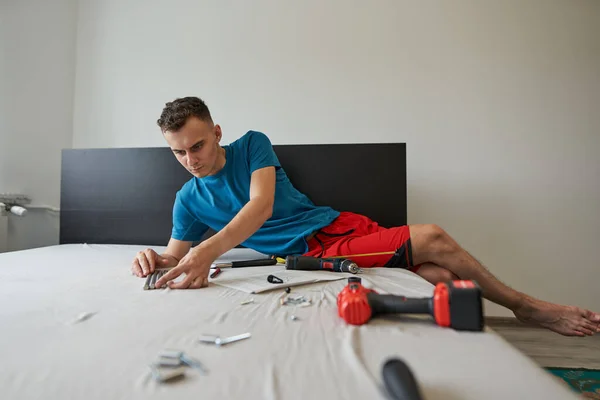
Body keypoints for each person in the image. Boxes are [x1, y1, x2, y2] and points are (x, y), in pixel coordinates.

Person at [131, 96, 600, 337]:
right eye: (178, 152)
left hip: (333, 230)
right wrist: (156, 261)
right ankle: (518, 306)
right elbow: (177, 256)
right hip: (311, 253)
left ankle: (525, 307)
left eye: (198, 145)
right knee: (435, 268)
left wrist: (207, 251)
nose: (191, 159)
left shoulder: (252, 143)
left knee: (433, 243)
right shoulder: (187, 199)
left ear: (216, 132)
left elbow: (261, 207)